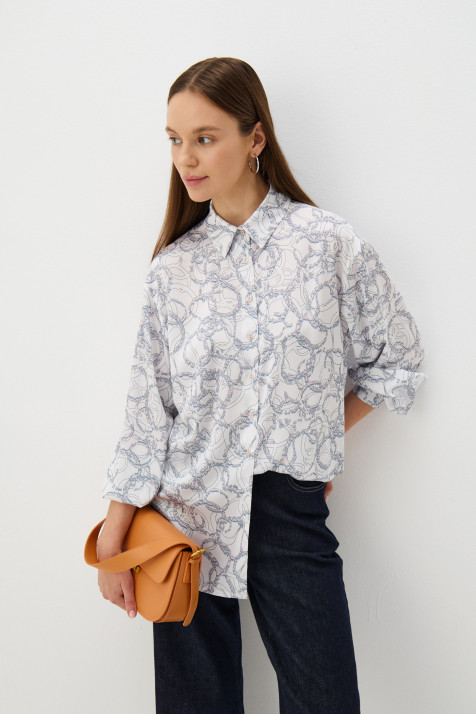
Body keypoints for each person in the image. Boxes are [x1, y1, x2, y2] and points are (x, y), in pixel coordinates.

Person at [96, 57, 428, 714]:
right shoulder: (172, 270)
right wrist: (113, 537)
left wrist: (313, 436)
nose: (185, 158)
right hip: (183, 519)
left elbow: (398, 362)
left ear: (255, 138)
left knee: (326, 701)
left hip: (287, 511)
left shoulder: (327, 244)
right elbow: (150, 410)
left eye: (204, 137)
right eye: (175, 139)